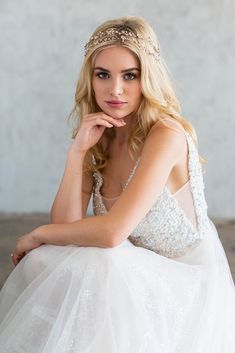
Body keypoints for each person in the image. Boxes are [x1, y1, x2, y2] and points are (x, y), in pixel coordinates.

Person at [0, 15, 234, 353]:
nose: (115, 90)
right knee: (48, 259)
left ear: (147, 78)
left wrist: (36, 235)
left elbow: (111, 234)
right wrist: (76, 153)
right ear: (90, 79)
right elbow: (65, 226)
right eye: (103, 75)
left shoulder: (165, 135)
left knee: (101, 262)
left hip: (187, 290)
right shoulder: (99, 136)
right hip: (130, 277)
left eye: (130, 76)